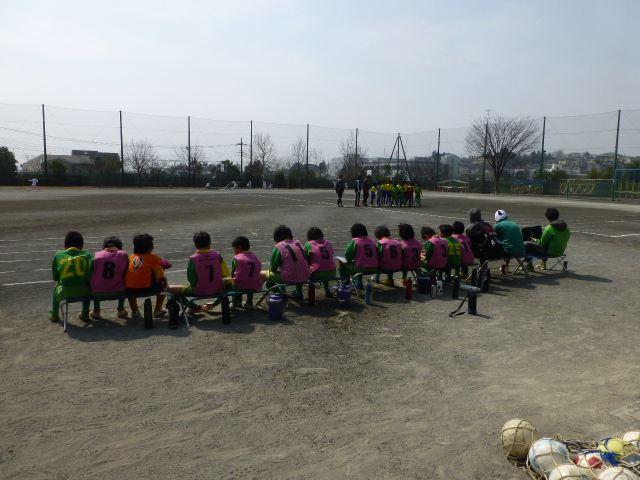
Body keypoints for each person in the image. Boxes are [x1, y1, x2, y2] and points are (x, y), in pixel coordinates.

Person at [167, 231, 228, 315]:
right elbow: (226, 273)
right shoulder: (217, 255)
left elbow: (192, 279)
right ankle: (214, 304)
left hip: (199, 291)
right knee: (229, 282)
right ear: (210, 243)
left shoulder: (193, 259)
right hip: (218, 289)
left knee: (170, 289)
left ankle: (196, 307)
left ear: (195, 245)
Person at [49, 231, 92, 323]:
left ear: (65, 246)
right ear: (82, 246)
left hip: (64, 293)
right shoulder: (87, 255)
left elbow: (56, 277)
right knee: (87, 284)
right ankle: (85, 313)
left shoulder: (58, 255)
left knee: (56, 288)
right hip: (84, 292)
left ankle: (54, 314)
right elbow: (90, 276)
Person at [260, 225, 310, 299]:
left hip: (290, 277)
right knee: (297, 267)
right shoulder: (298, 242)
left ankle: (282, 294)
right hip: (306, 275)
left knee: (263, 274)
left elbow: (273, 268)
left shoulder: (279, 246)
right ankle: (299, 292)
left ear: (277, 239)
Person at [125, 233, 169, 318]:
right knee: (164, 284)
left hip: (131, 290)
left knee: (131, 284)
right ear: (150, 248)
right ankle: (158, 309)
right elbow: (160, 275)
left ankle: (134, 310)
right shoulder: (153, 257)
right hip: (148, 288)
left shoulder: (131, 257)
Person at [89, 236, 129, 320]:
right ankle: (121, 309)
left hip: (97, 292)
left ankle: (96, 311)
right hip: (119, 291)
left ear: (104, 246)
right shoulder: (124, 255)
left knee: (96, 280)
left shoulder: (96, 256)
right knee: (123, 280)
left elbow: (89, 272)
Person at [223, 236, 262, 310]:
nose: (234, 251)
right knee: (249, 281)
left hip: (240, 285)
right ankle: (249, 302)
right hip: (254, 285)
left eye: (234, 249)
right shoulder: (255, 257)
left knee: (235, 282)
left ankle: (234, 302)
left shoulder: (238, 258)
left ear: (239, 247)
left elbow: (233, 274)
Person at [337, 223, 379, 288]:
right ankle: (358, 282)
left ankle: (344, 284)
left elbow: (348, 258)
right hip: (374, 268)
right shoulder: (372, 241)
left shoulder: (355, 241)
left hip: (360, 268)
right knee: (360, 260)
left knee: (341, 261)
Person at [304, 227, 337, 297]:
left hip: (316, 274)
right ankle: (326, 289)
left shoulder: (308, 244)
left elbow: (306, 259)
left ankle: (307, 292)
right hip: (332, 273)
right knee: (325, 263)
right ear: (321, 236)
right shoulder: (328, 242)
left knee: (310, 265)